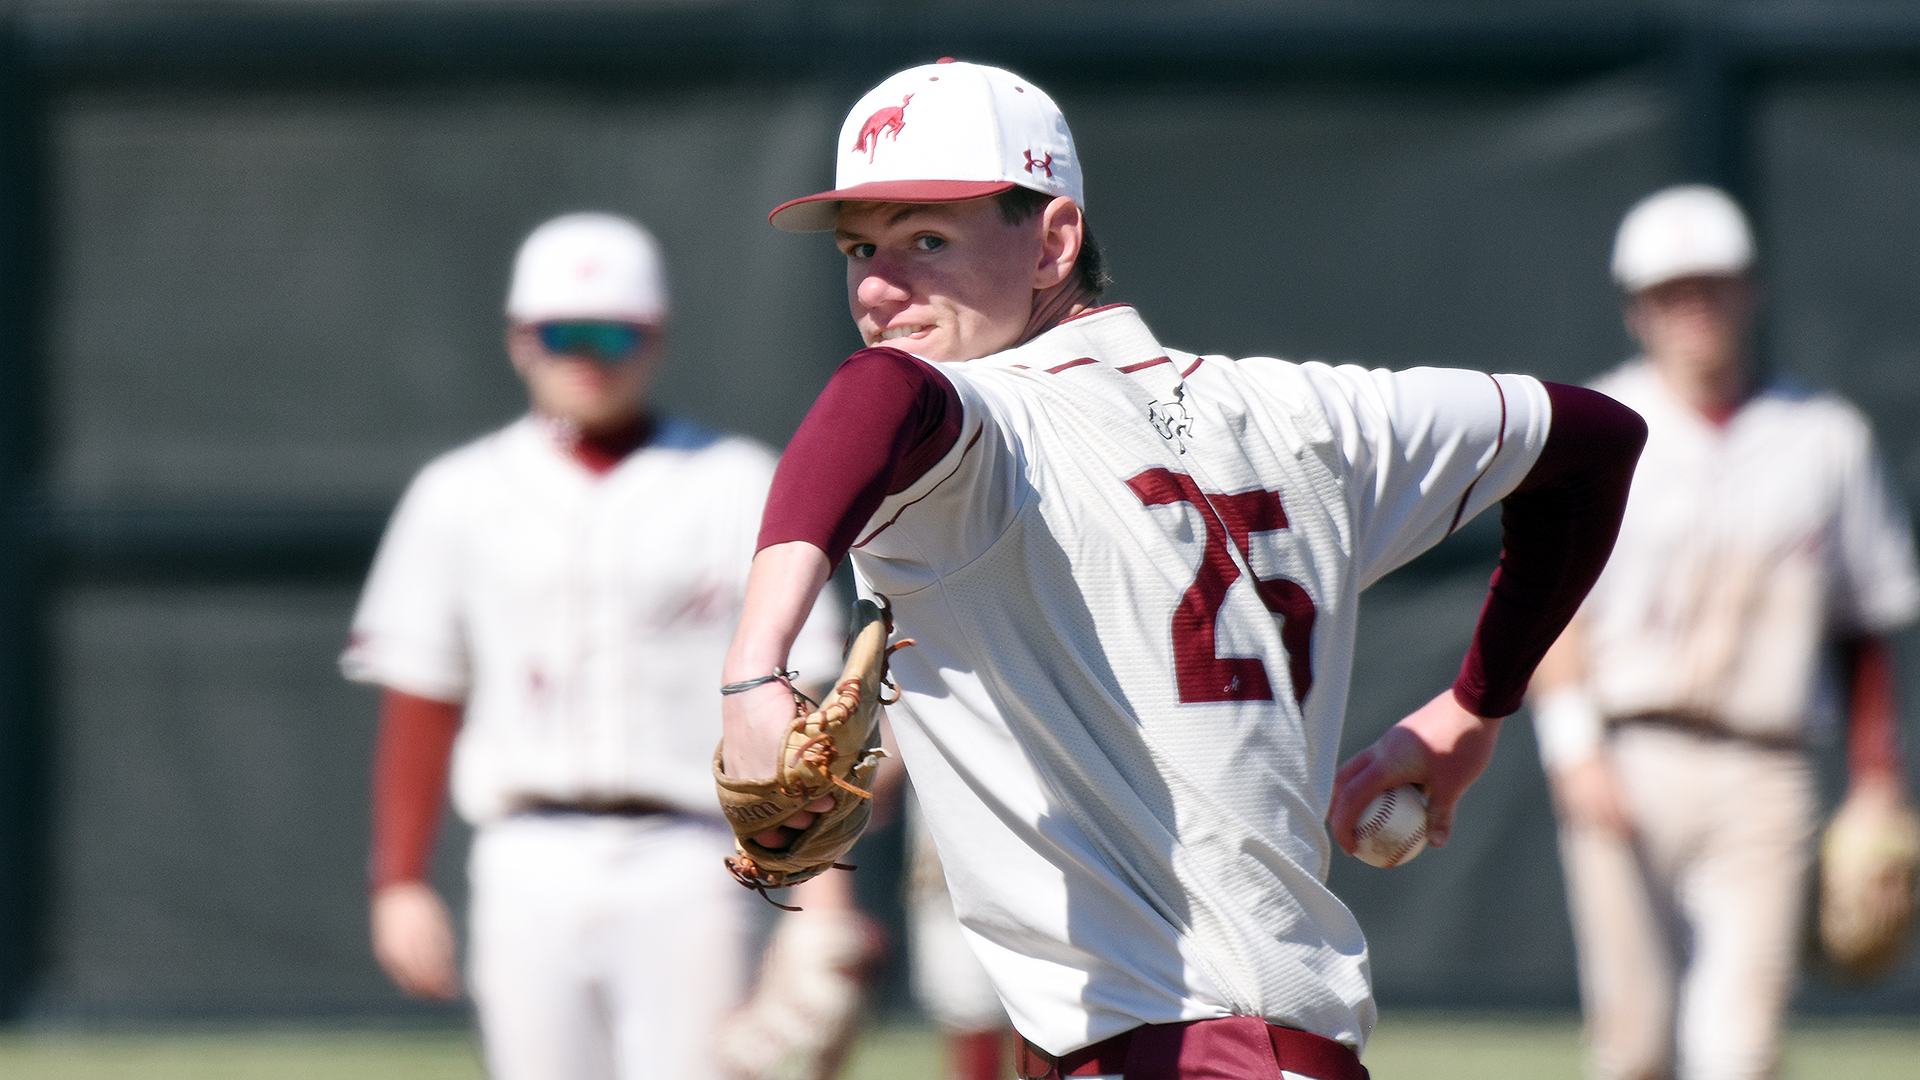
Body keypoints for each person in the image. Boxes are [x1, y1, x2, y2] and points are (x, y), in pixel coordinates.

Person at [715, 58, 1647, 1079]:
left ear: (1055, 240)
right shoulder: (1310, 414)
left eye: (928, 240)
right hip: (1260, 1045)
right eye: (859, 249)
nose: (881, 287)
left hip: (1179, 1052)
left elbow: (876, 391)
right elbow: (1596, 439)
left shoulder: (990, 424)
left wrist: (755, 669)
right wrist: (1474, 712)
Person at [341, 211, 856, 1080]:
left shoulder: (739, 484)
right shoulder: (459, 492)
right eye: (562, 332)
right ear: (518, 340)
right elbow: (422, 692)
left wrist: (824, 893)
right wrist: (399, 879)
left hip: (701, 856)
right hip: (525, 853)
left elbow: (807, 715)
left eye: (613, 332)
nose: (588, 353)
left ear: (655, 339)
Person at [1528, 185, 1920, 1080]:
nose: (1693, 308)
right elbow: (1550, 604)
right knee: (1634, 1048)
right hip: (1627, 752)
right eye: (1671, 291)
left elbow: (1863, 623)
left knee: (1740, 1049)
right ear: (1636, 308)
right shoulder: (1596, 426)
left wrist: (1877, 779)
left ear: (1750, 291)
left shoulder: (1823, 437)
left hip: (1765, 764)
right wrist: (1574, 747)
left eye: (1710, 285)